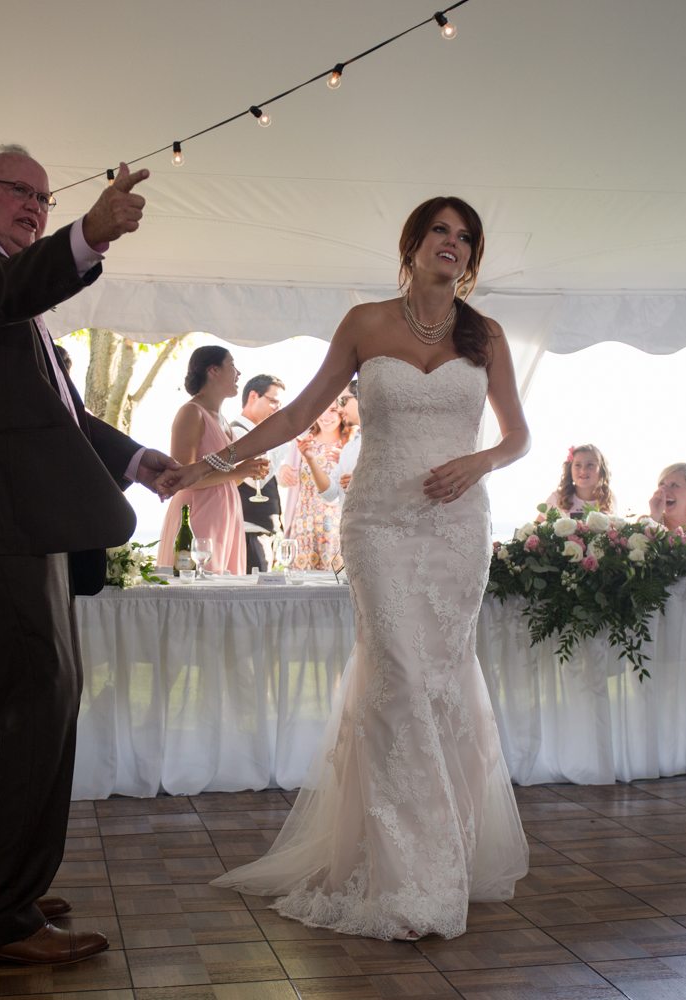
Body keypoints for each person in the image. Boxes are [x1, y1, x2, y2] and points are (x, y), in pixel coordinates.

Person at [167, 196, 531, 941]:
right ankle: (409, 872)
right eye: (441, 231)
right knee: (396, 674)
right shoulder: (366, 323)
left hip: (457, 530)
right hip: (379, 526)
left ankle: (443, 853)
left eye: (465, 239)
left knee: (440, 681)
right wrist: (207, 465)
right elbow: (298, 415)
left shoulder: (484, 334)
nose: (452, 246)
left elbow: (519, 435)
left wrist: (480, 461)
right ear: (414, 241)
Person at [0, 143, 177, 968]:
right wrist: (90, 235)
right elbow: (5, 291)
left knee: (38, 706)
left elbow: (59, 413)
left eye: (46, 199)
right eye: (19, 191)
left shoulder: (11, 300)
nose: (34, 205)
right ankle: (2, 915)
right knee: (41, 704)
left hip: (24, 524)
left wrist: (135, 462)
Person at [155, 347, 266, 574]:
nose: (239, 373)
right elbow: (184, 477)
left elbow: (223, 483)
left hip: (226, 515)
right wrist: (238, 471)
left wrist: (244, 473)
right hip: (196, 515)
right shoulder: (191, 413)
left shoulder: (224, 419)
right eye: (233, 365)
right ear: (213, 370)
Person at [282, 401, 352, 571]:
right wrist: (283, 472)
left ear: (343, 413)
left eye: (333, 411)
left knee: (335, 584)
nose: (326, 416)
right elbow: (287, 481)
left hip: (337, 526)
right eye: (322, 409)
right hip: (304, 524)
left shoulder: (350, 444)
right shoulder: (303, 440)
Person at [229, 374, 287, 571]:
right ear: (253, 396)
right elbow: (257, 481)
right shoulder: (236, 434)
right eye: (273, 402)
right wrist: (286, 439)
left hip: (260, 533)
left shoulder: (259, 435)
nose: (277, 409)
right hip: (247, 532)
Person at [316, 380, 362, 508]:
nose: (340, 409)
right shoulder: (349, 448)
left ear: (363, 397)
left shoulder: (389, 438)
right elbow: (330, 494)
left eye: (343, 401)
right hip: (350, 526)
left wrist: (365, 482)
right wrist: (309, 458)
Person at [543, 444, 614, 517]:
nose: (583, 470)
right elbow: (536, 527)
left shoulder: (608, 500)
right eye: (578, 465)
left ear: (601, 470)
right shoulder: (557, 498)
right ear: (570, 469)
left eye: (590, 465)